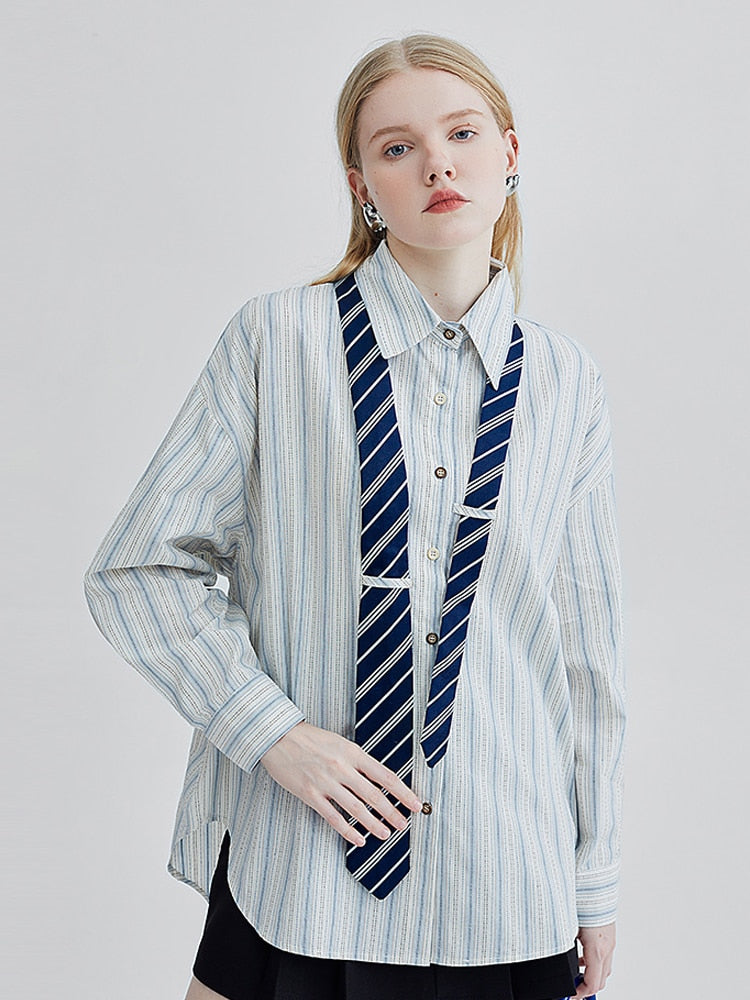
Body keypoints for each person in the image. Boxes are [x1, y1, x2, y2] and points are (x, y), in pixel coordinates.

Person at [83, 32, 626, 1000]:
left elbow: (585, 653)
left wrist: (595, 875)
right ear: (362, 185)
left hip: (507, 882)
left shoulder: (566, 381)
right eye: (397, 147)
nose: (437, 164)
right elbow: (140, 569)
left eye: (462, 134)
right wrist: (271, 732)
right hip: (297, 876)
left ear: (510, 152)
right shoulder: (275, 341)